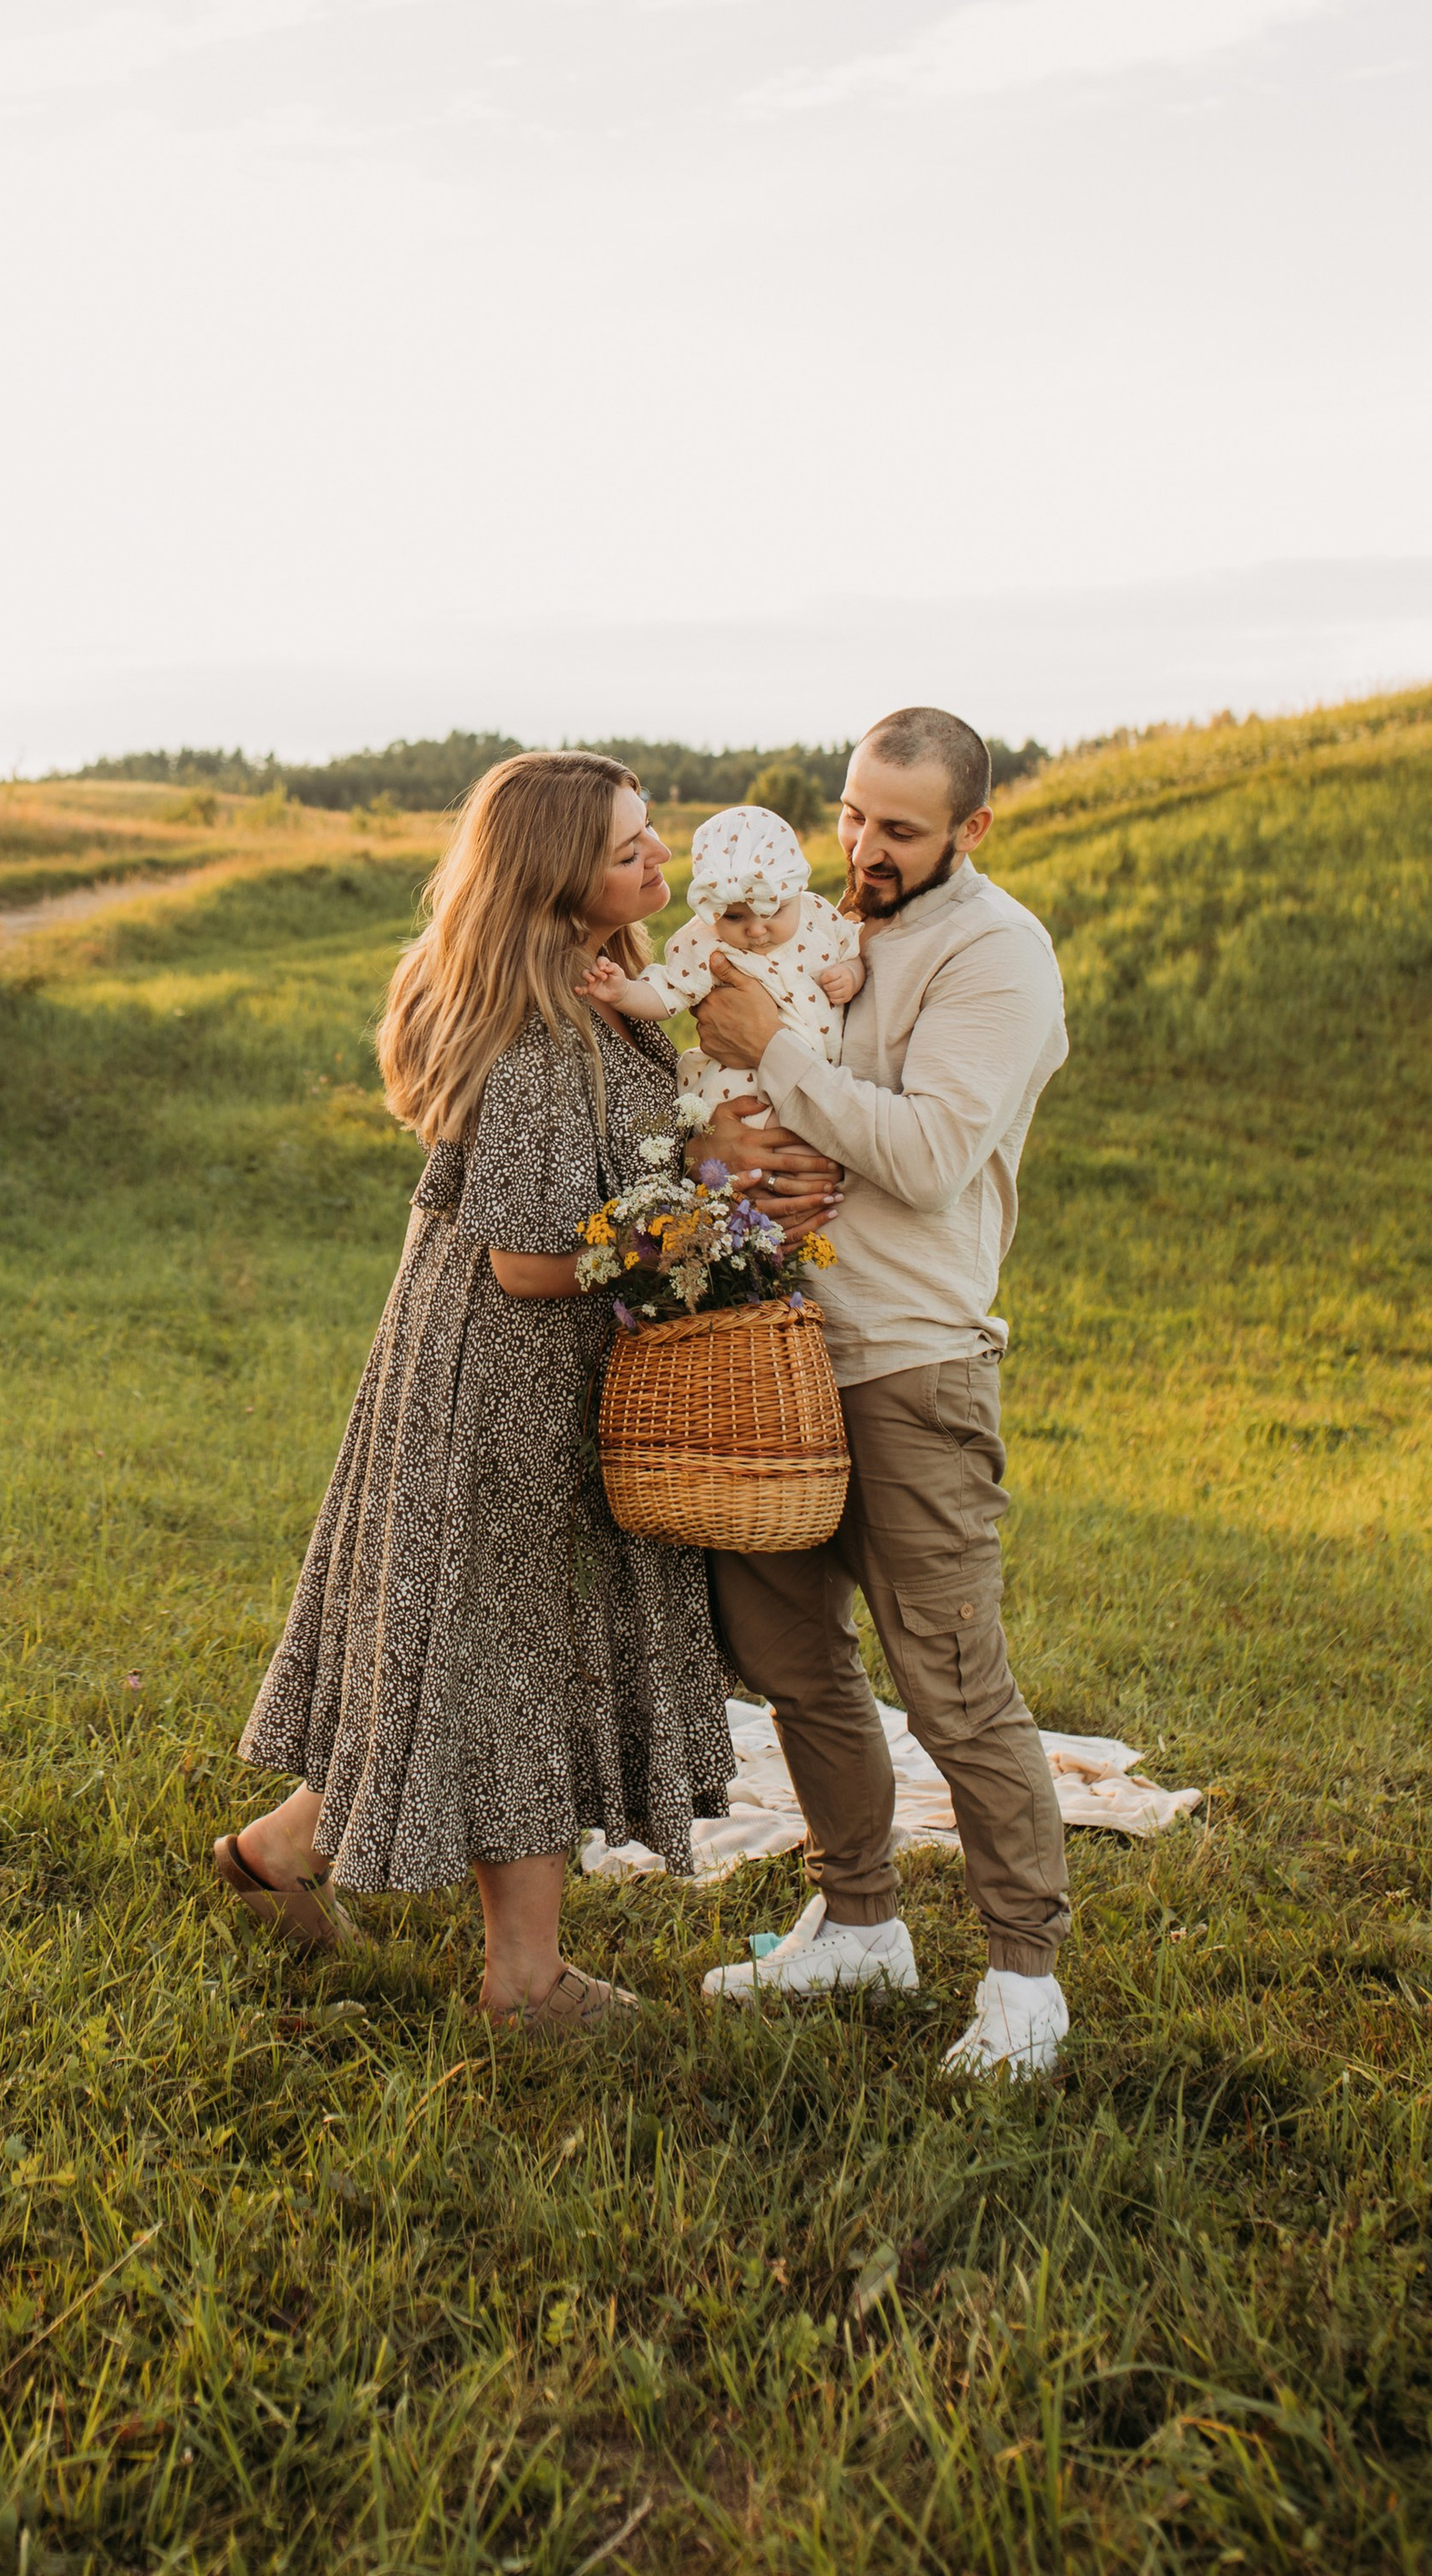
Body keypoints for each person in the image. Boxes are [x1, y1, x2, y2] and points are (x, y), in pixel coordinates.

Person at [216, 751, 841, 2034]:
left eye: (652, 832)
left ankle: (284, 1851)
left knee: (462, 1642)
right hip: (506, 1378)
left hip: (506, 1365)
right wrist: (699, 1223)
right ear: (559, 882)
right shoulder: (543, 1030)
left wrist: (704, 1154)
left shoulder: (595, 993)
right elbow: (526, 1255)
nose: (661, 859)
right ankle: (526, 1981)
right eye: (629, 849)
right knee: (511, 1651)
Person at [690, 705, 1074, 2079]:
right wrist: (738, 1130)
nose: (862, 848)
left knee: (954, 1682)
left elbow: (927, 1155)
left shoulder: (997, 956)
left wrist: (776, 1059)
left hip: (913, 1362)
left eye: (899, 830)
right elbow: (737, 1107)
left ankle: (1025, 1980)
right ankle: (860, 1923)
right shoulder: (814, 932)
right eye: (853, 814)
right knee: (790, 1660)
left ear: (973, 829)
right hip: (772, 1357)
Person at [582, 801, 864, 1121]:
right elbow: (666, 993)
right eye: (734, 917)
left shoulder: (816, 914)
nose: (756, 929)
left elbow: (852, 948)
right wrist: (624, 992)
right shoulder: (705, 941)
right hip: (748, 1086)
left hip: (826, 1075)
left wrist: (851, 974)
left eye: (773, 911)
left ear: (798, 889)